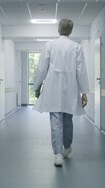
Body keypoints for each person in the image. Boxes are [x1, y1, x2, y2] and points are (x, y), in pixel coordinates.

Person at [33, 18, 90, 167]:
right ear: (71, 31)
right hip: (70, 89)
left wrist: (37, 86)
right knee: (68, 120)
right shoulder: (76, 47)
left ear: (58, 30)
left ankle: (57, 154)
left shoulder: (50, 45)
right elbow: (81, 71)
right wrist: (84, 92)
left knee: (55, 122)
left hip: (53, 89)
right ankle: (67, 147)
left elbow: (42, 69)